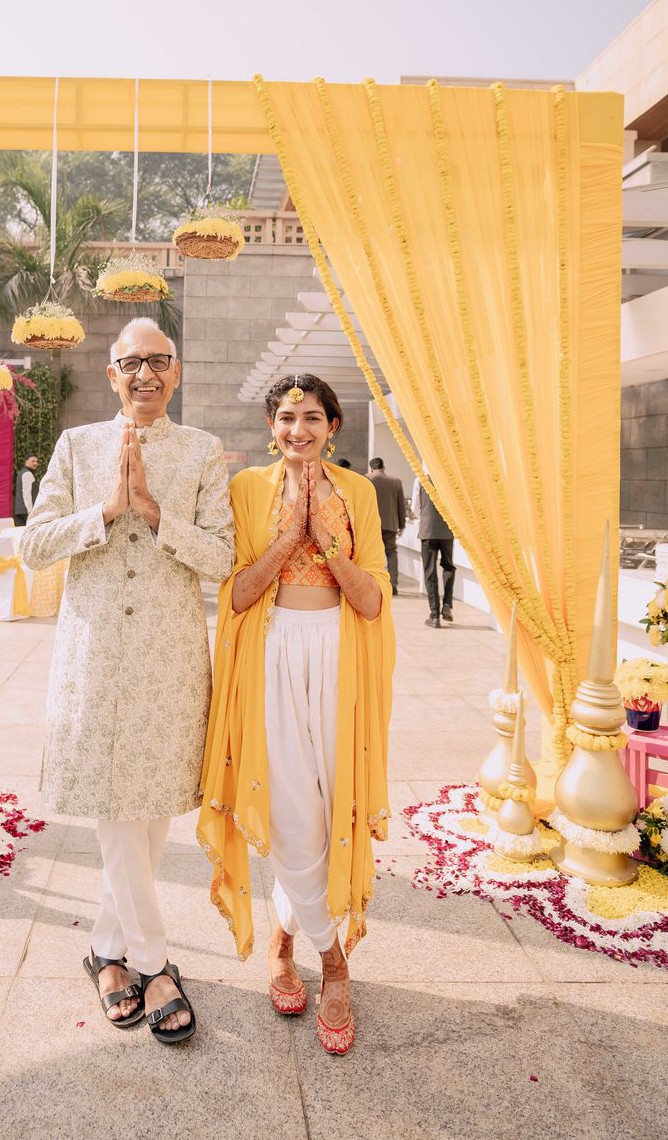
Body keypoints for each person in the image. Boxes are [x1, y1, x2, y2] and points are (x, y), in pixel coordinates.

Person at [21, 318, 234, 1045]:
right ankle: (154, 962)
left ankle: (105, 952)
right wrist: (106, 511)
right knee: (118, 809)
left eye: (158, 361)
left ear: (176, 372)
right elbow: (31, 544)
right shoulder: (77, 447)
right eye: (131, 362)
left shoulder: (204, 452)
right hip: (97, 652)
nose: (145, 374)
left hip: (170, 658)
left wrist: (154, 511)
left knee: (148, 816)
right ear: (111, 373)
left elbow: (222, 559)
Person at [198, 373, 395, 1056]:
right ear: (270, 424)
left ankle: (284, 938)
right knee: (288, 811)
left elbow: (372, 601)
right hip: (271, 656)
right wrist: (288, 540)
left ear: (334, 425)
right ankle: (333, 959)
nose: (298, 429)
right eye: (287, 417)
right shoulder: (247, 490)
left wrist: (326, 539)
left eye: (312, 416)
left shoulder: (360, 493)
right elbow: (237, 594)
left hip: (339, 660)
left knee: (328, 807)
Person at [412, 474, 455, 627]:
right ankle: (447, 604)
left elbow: (415, 508)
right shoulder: (450, 479)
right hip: (447, 531)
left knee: (430, 572)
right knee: (449, 566)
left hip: (428, 530)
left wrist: (425, 518)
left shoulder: (421, 479)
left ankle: (435, 615)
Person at [366, 457, 407, 596]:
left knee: (369, 554)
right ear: (383, 467)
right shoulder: (395, 482)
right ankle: (393, 584)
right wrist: (402, 524)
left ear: (371, 468)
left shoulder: (366, 479)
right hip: (390, 524)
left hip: (370, 525)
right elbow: (401, 505)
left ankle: (371, 583)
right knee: (391, 552)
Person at [13, 453, 40, 526]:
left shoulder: (22, 472)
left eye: (36, 461)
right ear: (26, 461)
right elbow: (26, 494)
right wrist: (30, 512)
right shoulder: (27, 474)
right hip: (25, 512)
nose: (35, 463)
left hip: (21, 511)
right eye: (33, 461)